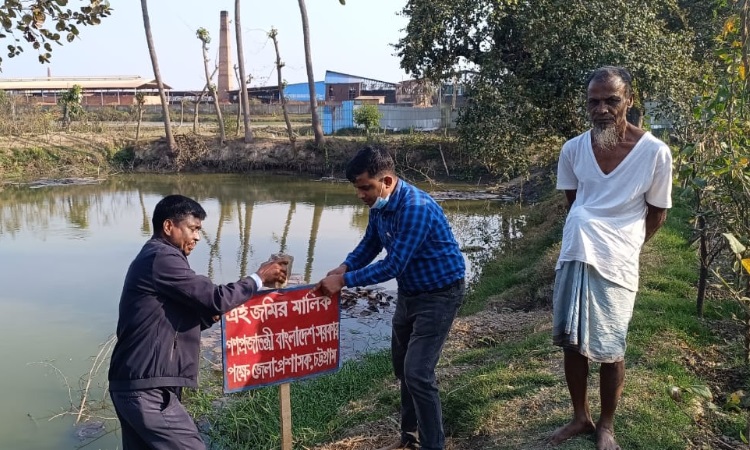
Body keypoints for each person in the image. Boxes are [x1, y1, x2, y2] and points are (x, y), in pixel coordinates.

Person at [550, 66, 673, 450]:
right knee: (572, 342)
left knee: (611, 346)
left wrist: (629, 244)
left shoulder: (655, 152)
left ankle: (606, 424)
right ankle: (580, 417)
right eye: (594, 102)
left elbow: (657, 212)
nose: (601, 109)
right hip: (576, 253)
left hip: (618, 260)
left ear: (629, 101)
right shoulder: (572, 149)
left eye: (611, 100)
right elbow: (575, 204)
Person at [108, 194, 288, 450]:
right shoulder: (162, 258)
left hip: (136, 384)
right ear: (169, 226)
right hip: (148, 390)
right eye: (193, 229)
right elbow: (215, 298)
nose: (197, 238)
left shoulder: (156, 258)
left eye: (199, 230)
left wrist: (211, 314)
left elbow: (174, 320)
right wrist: (258, 278)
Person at [316, 146, 466, 450]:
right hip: (410, 292)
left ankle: (433, 445)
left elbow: (393, 264)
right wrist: (345, 265)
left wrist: (344, 281)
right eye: (357, 188)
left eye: (365, 187)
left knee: (418, 373)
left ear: (386, 180)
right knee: (402, 367)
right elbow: (370, 243)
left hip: (440, 294)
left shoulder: (415, 208)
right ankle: (409, 439)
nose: (360, 195)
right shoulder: (381, 205)